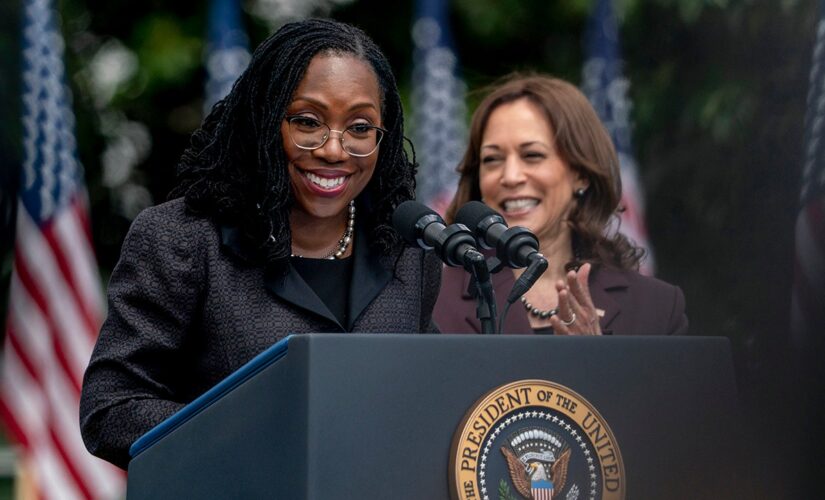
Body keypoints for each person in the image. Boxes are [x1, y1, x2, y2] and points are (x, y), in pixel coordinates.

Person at [80, 19, 441, 469]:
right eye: (308, 121)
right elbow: (112, 409)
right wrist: (254, 434)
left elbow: (428, 398)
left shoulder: (407, 252)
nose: (334, 149)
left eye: (360, 127)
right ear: (265, 121)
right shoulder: (183, 240)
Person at [433, 74, 687, 335]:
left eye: (532, 155)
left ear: (581, 173)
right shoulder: (433, 300)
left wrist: (601, 361)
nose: (510, 177)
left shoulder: (656, 308)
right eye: (492, 159)